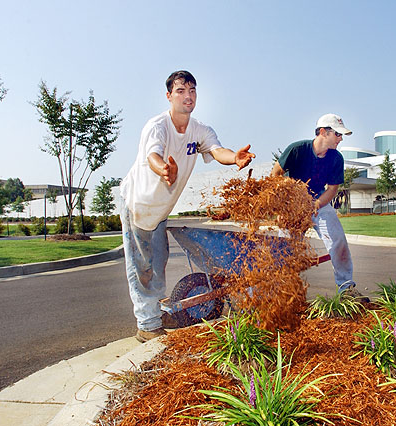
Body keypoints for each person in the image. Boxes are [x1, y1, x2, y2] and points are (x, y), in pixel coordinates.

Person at [120, 70, 255, 342]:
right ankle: (147, 325)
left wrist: (234, 158)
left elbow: (217, 150)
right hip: (138, 203)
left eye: (192, 90)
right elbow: (153, 156)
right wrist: (164, 170)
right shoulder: (157, 126)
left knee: (158, 262)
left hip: (159, 210)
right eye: (181, 91)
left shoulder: (200, 130)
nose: (188, 96)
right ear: (169, 96)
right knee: (142, 266)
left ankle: (156, 313)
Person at [271, 113, 368, 302]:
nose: (340, 139)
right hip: (291, 205)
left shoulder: (336, 158)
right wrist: (281, 208)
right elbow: (275, 175)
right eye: (338, 134)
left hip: (318, 203)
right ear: (323, 132)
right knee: (285, 248)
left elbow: (332, 189)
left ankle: (346, 288)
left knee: (337, 239)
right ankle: (284, 292)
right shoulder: (297, 149)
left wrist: (315, 205)